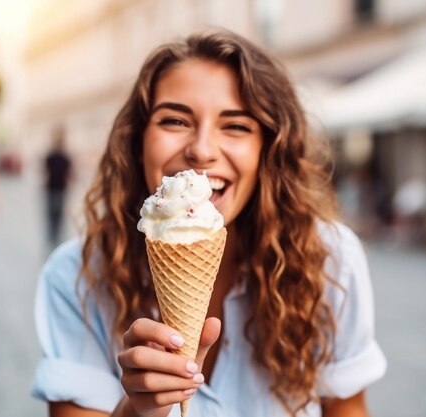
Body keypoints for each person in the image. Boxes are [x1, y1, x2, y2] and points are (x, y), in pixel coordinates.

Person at [32, 31, 387, 417]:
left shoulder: (330, 258)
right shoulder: (75, 276)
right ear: (138, 141)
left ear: (268, 149)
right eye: (174, 120)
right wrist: (136, 410)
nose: (201, 150)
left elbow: (347, 407)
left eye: (235, 126)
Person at [44, 127, 73, 249]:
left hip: (51, 190)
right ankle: (57, 242)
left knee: (51, 218)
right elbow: (70, 176)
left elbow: (45, 174)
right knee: (59, 218)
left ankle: (52, 240)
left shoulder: (50, 156)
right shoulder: (66, 158)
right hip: (60, 190)